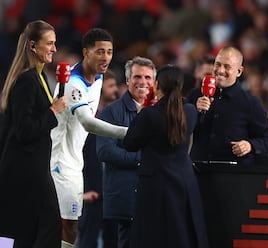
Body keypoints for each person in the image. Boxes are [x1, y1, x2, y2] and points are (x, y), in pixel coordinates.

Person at [0, 20, 67, 248]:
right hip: (30, 169)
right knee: (50, 225)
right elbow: (23, 131)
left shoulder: (39, 77)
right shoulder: (27, 81)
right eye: (49, 43)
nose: (54, 49)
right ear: (32, 46)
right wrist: (52, 111)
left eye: (55, 44)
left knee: (28, 230)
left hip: (35, 165)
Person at [50, 28, 128, 248]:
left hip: (75, 161)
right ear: (86, 52)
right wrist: (125, 132)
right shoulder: (73, 84)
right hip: (60, 162)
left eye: (110, 52)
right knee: (68, 225)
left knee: (68, 225)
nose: (106, 57)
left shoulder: (99, 77)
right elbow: (87, 122)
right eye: (100, 51)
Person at [123, 65, 209, 248]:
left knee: (154, 235)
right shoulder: (191, 112)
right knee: (182, 233)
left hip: (154, 183)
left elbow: (130, 143)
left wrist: (139, 117)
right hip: (184, 181)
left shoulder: (149, 115)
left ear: (156, 85)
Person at [96, 56, 157, 248]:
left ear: (154, 83)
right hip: (125, 197)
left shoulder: (162, 112)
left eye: (147, 78)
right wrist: (143, 159)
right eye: (137, 76)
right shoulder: (111, 112)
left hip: (154, 196)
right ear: (128, 80)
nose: (143, 82)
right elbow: (105, 151)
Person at [188, 46, 268, 166]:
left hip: (232, 175)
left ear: (239, 71)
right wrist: (192, 111)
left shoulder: (250, 103)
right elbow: (177, 130)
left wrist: (250, 145)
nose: (220, 70)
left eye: (227, 67)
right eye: (217, 64)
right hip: (197, 170)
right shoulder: (195, 95)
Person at [77, 69, 119, 248]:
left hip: (111, 193)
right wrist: (81, 193)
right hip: (91, 195)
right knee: (88, 241)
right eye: (111, 86)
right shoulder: (85, 121)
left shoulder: (116, 118)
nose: (116, 90)